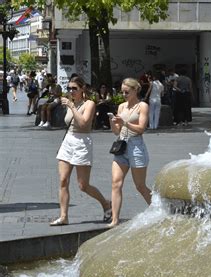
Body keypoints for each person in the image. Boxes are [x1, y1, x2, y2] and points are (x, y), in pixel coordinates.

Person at [50, 76, 111, 226]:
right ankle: (64, 216)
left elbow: (83, 124)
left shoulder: (89, 104)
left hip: (82, 142)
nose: (71, 91)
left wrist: (71, 106)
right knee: (63, 180)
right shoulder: (72, 103)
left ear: (82, 89)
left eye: (74, 88)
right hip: (68, 141)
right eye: (69, 88)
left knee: (83, 185)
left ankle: (106, 204)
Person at [109, 78, 151, 227]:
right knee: (116, 183)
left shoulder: (142, 106)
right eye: (122, 92)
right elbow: (116, 132)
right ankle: (114, 220)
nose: (124, 94)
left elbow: (141, 129)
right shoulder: (121, 107)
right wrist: (113, 123)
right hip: (121, 146)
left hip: (136, 146)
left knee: (140, 186)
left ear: (135, 90)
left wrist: (125, 123)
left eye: (127, 92)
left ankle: (160, 209)